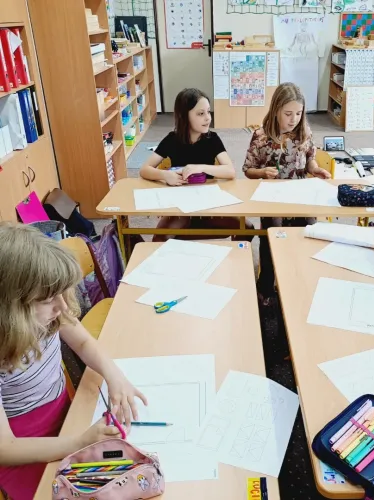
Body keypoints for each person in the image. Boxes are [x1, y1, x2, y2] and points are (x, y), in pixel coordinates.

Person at [0, 223, 147, 499]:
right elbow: (5, 448)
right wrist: (78, 442)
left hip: (67, 418)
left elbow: (83, 343)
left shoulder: (47, 314)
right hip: (26, 453)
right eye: (48, 299)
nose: (63, 307)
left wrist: (115, 376)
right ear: (10, 306)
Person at [243, 82, 331, 304]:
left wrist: (315, 169)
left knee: (309, 231)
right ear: (276, 110)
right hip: (272, 198)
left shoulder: (304, 132)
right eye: (288, 113)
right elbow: (248, 170)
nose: (294, 119)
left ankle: (299, 278)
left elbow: (309, 159)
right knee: (272, 232)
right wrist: (262, 172)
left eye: (299, 113)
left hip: (299, 196)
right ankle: (266, 284)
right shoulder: (261, 136)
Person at [140, 87, 253, 242]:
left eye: (208, 112)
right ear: (184, 116)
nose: (208, 118)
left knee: (247, 228)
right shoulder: (172, 139)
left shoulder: (212, 139)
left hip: (209, 204)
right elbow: (145, 170)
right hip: (180, 206)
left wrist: (200, 167)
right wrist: (165, 175)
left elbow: (230, 171)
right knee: (160, 238)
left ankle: (235, 255)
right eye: (200, 114)